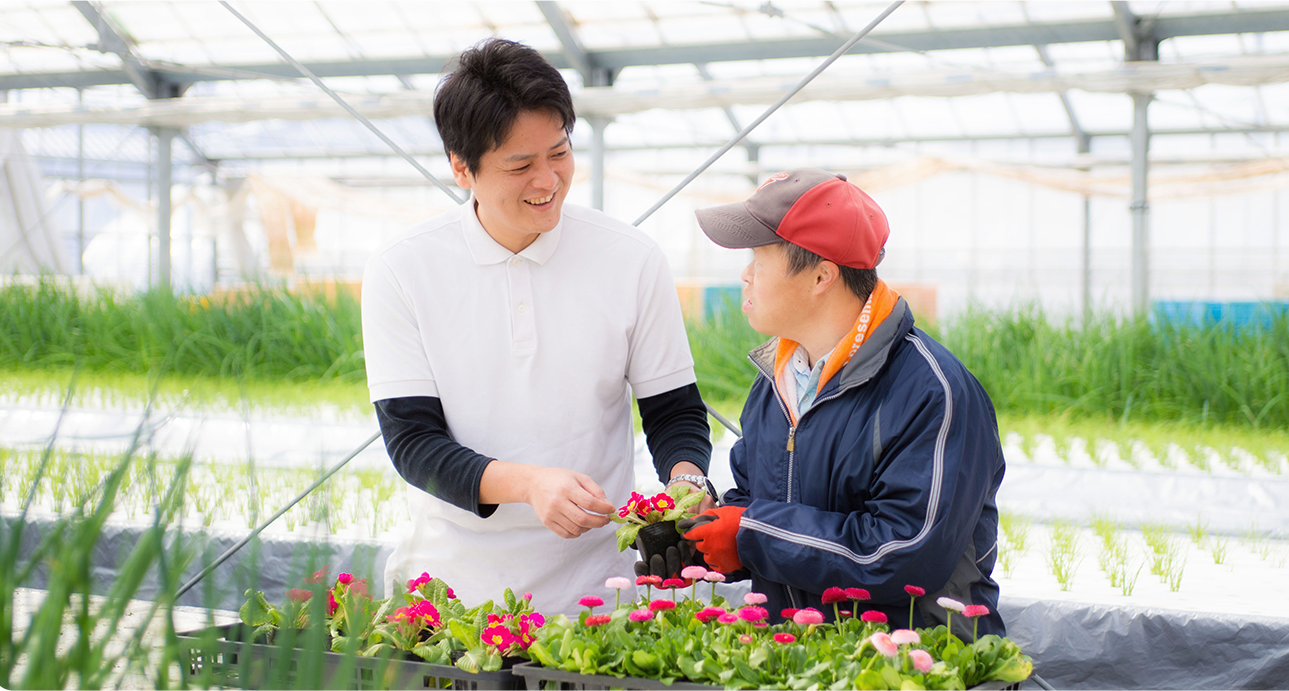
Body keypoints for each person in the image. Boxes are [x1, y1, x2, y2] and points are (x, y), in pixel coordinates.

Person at [360, 38, 714, 615]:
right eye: (520, 165)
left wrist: (686, 483)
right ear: (460, 168)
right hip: (453, 597)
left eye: (559, 152)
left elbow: (673, 410)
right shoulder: (403, 268)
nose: (547, 180)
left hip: (600, 591)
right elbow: (413, 443)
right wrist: (529, 485)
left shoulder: (630, 258)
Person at [678, 169, 1007, 638]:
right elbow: (756, 508)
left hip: (914, 666)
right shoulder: (774, 385)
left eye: (759, 258)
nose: (745, 275)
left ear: (821, 275)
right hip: (802, 660)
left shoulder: (933, 392)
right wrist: (698, 541)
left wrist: (750, 534)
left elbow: (902, 553)